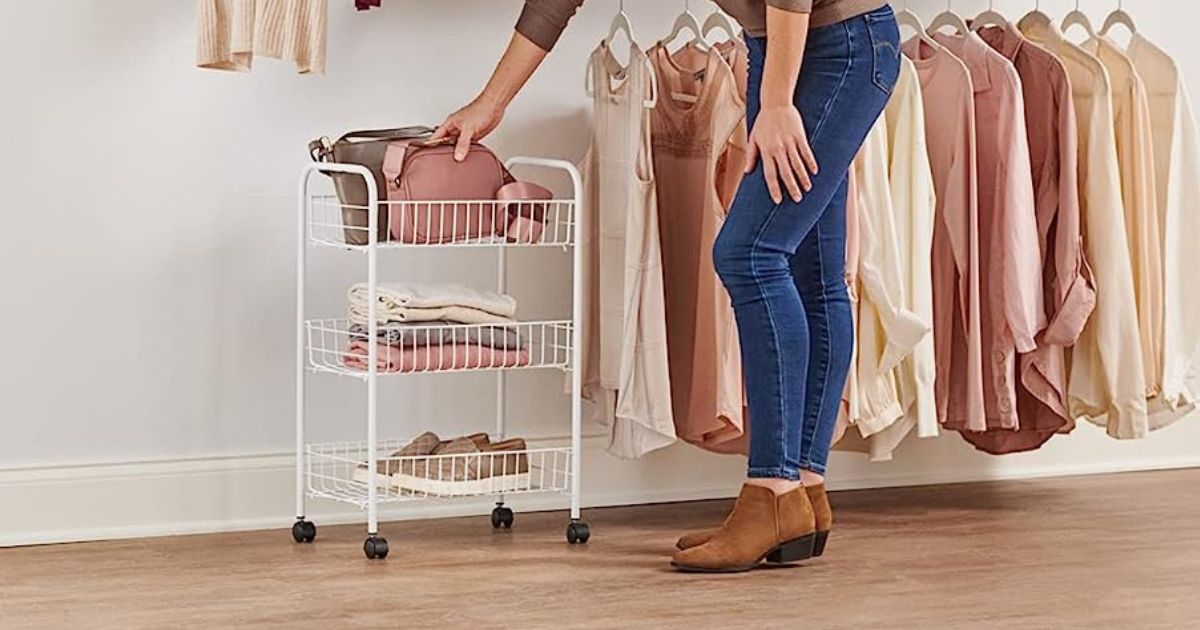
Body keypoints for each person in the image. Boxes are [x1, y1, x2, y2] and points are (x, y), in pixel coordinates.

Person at [434, 0, 900, 573]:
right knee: (810, 267)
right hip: (783, 49)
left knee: (751, 254)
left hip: (842, 49)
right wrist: (490, 104)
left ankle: (772, 492)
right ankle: (803, 490)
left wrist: (777, 103)